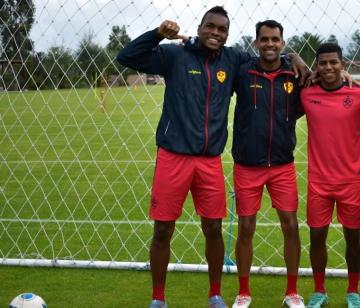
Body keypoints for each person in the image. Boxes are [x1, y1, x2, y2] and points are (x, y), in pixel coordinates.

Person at [116, 6, 308, 308]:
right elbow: (127, 57)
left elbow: (269, 57)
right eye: (211, 27)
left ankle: (215, 295)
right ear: (201, 27)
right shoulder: (176, 55)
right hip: (173, 156)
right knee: (163, 228)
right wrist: (156, 34)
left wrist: (293, 57)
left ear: (227, 35)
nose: (215, 33)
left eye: (222, 30)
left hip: (210, 161)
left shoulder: (233, 59)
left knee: (214, 229)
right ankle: (158, 299)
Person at [299, 43, 360, 308]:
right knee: (316, 238)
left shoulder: (358, 94)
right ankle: (319, 290)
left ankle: (353, 291)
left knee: (353, 238)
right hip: (319, 181)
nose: (328, 67)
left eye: (333, 62)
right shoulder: (306, 94)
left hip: (351, 181)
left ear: (343, 64)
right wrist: (292, 57)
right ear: (316, 66)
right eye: (322, 63)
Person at [230, 19, 305, 308]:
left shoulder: (295, 74)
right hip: (248, 165)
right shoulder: (242, 71)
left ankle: (292, 291)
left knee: (290, 225)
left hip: (283, 165)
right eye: (264, 39)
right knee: (246, 226)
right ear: (256, 42)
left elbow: (316, 90)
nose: (270, 44)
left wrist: (296, 59)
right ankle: (244, 292)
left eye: (275, 39)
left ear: (283, 43)